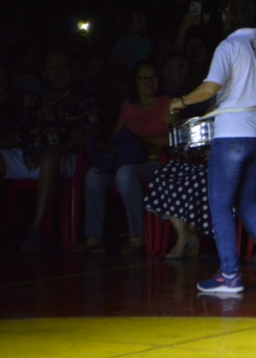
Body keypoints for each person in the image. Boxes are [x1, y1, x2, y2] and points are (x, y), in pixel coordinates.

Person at [168, 0, 256, 294]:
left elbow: (212, 85)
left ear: (231, 14)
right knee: (246, 199)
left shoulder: (229, 45)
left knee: (221, 202)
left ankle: (229, 274)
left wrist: (181, 102)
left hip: (233, 132)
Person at [2, 49, 100, 252]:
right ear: (44, 74)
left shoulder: (84, 96)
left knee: (49, 157)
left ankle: (35, 230)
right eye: (54, 68)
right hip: (29, 156)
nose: (60, 72)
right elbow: (20, 133)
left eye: (64, 67)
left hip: (66, 156)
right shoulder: (37, 98)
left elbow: (90, 131)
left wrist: (69, 147)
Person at [73, 60, 172, 255]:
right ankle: (94, 238)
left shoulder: (167, 103)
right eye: (143, 78)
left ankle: (137, 237)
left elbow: (173, 139)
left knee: (125, 174)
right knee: (94, 176)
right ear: (135, 82)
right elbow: (115, 137)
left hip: (154, 162)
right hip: (127, 159)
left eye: (153, 77)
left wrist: (143, 140)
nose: (148, 82)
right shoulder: (128, 105)